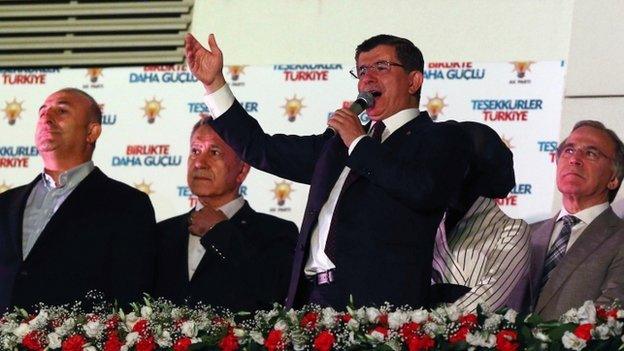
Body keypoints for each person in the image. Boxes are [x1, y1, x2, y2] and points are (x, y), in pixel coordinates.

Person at [185, 33, 470, 309]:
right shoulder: (336, 146)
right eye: (361, 70)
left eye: (381, 67)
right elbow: (262, 148)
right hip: (313, 301)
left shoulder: (441, 138)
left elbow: (424, 190)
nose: (367, 78)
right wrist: (214, 84)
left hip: (379, 308)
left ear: (413, 80)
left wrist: (359, 142)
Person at [0, 88, 156, 313]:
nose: (47, 118)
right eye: (42, 112)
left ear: (92, 132)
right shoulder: (5, 204)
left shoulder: (127, 205)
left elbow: (131, 299)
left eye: (61, 111)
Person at [154, 118, 298, 311]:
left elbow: (276, 293)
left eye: (214, 152)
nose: (199, 163)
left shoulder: (276, 232)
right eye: (195, 151)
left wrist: (221, 233)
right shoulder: (161, 233)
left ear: (242, 170)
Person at [510, 120, 624, 320]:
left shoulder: (619, 238)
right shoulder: (525, 233)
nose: (575, 159)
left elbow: (609, 317)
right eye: (569, 151)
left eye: (591, 153)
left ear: (613, 178)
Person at [431, 121, 530, 312]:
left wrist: (429, 328)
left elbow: (488, 297)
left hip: (464, 338)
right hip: (410, 334)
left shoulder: (512, 229)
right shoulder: (427, 220)